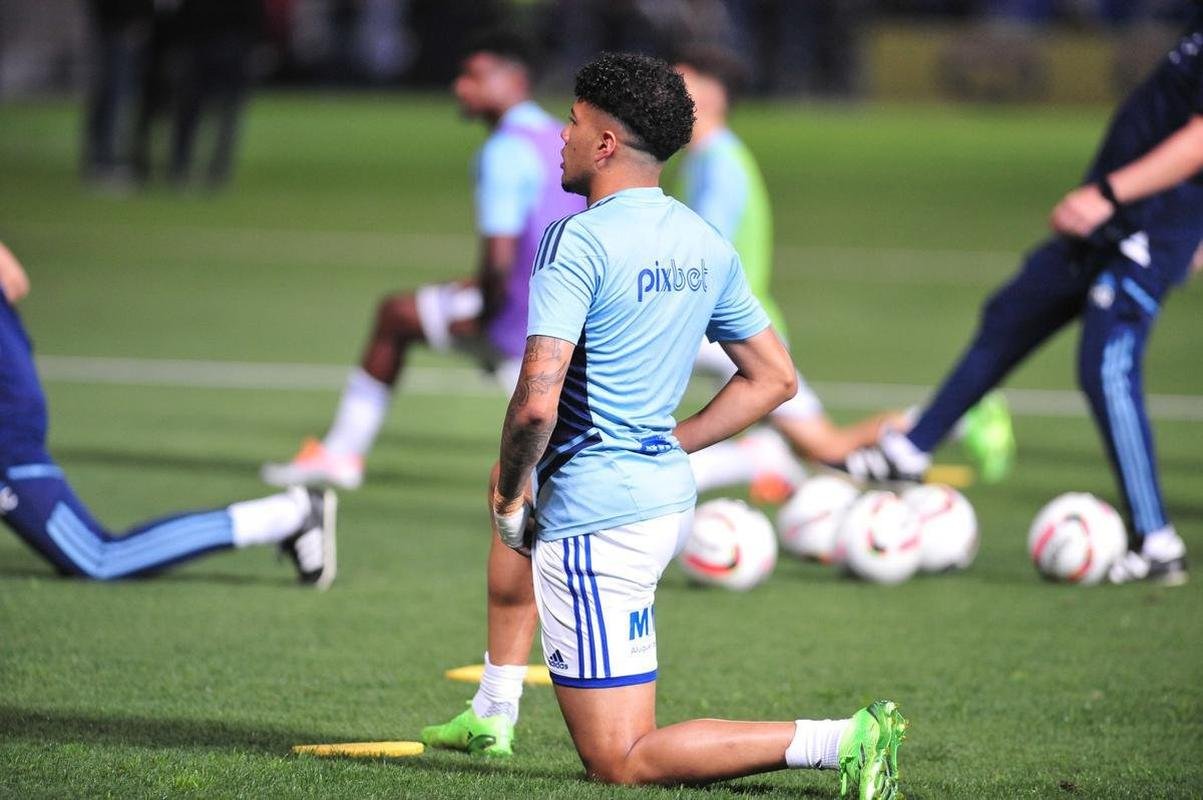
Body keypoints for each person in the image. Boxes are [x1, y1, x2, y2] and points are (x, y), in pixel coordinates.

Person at [428, 52, 906, 796]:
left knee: (620, 759)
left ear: (607, 145)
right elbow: (773, 378)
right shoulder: (701, 241)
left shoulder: (576, 242)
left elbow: (533, 403)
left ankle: (840, 739)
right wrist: (669, 441)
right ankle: (492, 707)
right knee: (512, 480)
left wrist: (515, 499)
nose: (561, 137)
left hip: (597, 519)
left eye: (574, 123)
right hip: (658, 501)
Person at [837, 9, 1203, 586]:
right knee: (1014, 309)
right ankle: (913, 449)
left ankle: (1156, 541)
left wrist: (1110, 193)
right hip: (1118, 216)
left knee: (1105, 366)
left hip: (1148, 223)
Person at [262, 30, 586, 490]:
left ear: (514, 81)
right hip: (569, 312)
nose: (461, 87)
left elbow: (499, 260)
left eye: (474, 76)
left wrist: (487, 317)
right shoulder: (562, 137)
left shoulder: (503, 151)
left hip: (519, 318)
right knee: (401, 314)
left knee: (394, 317)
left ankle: (341, 455)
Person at [0, 242, 336, 587]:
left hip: (7, 431)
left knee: (99, 557)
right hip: (14, 407)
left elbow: (11, 278)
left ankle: (286, 515)